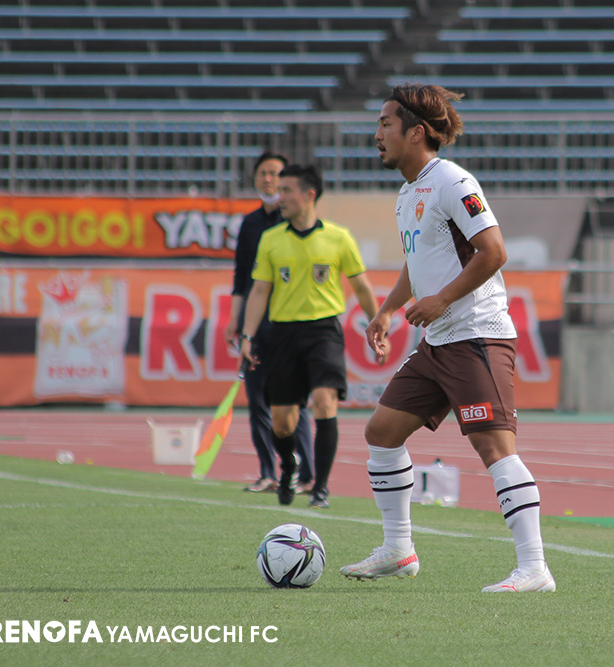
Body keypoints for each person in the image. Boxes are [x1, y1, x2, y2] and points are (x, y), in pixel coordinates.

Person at [340, 83, 555, 593]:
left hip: (477, 334)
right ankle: (398, 549)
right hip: (438, 341)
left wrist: (440, 300)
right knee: (382, 432)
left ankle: (534, 568)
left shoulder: (453, 181)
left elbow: (494, 251)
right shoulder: (407, 193)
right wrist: (387, 310)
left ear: (416, 132)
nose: (377, 135)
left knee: (493, 446)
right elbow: (418, 263)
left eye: (385, 124)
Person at [240, 164, 383, 509]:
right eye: (280, 190)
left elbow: (362, 287)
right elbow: (259, 291)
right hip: (283, 334)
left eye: (287, 190)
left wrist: (377, 326)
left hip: (323, 332)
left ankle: (320, 487)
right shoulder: (271, 239)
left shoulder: (339, 237)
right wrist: (247, 337)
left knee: (324, 401)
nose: (280, 196)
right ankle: (289, 465)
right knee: (282, 423)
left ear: (309, 195)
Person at [224, 152, 315, 494]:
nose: (268, 179)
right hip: (255, 321)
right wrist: (235, 318)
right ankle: (267, 472)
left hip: (288, 319)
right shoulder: (249, 223)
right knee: (258, 399)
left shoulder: (296, 221)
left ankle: (307, 475)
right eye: (262, 173)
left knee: (294, 400)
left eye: (274, 173)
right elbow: (241, 277)